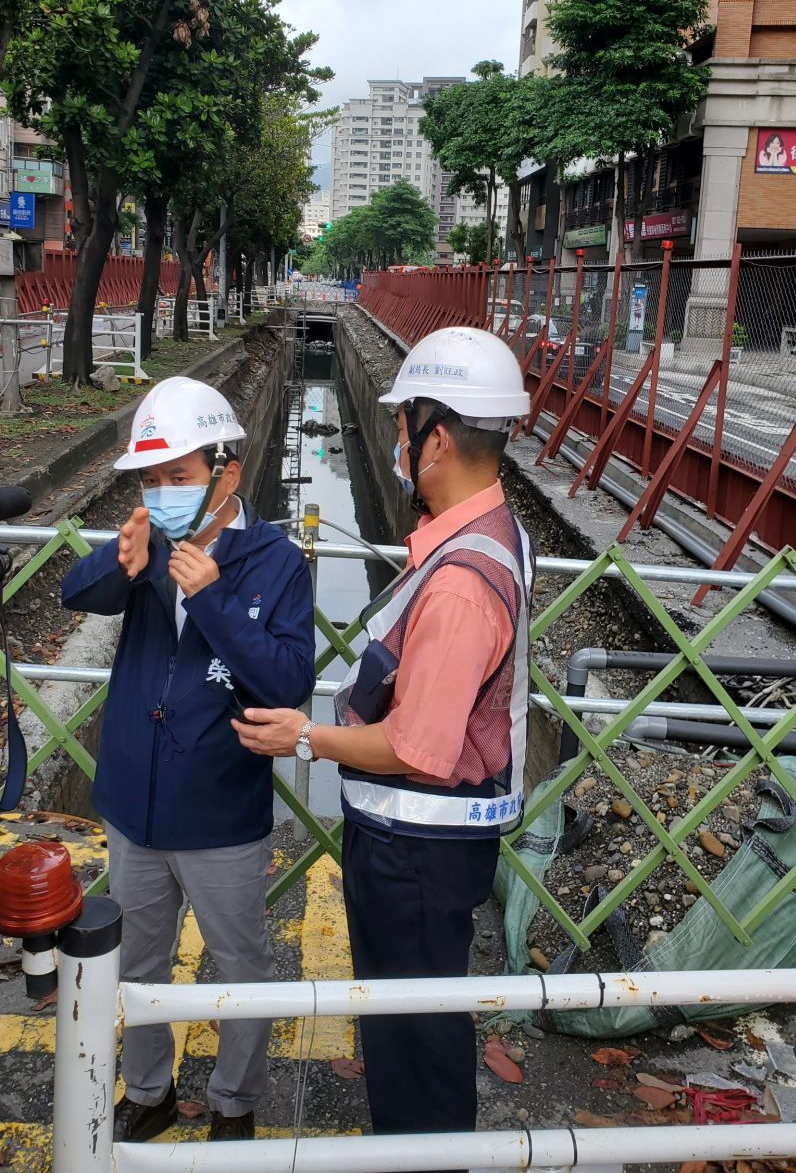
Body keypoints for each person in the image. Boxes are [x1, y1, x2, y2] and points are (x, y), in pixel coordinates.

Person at [233, 327, 533, 1164]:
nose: (397, 440)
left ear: (437, 439)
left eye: (405, 426)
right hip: (436, 847)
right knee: (419, 1019)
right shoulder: (493, 532)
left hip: (414, 853)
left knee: (413, 1040)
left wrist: (307, 737)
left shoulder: (462, 583)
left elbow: (417, 746)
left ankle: (420, 1154)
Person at [61, 376, 315, 1144]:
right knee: (137, 962)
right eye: (153, 479)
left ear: (226, 472)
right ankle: (150, 1090)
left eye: (181, 477)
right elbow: (79, 594)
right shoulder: (148, 546)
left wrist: (210, 600)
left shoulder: (273, 562)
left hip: (220, 812)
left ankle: (235, 1102)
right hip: (135, 807)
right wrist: (119, 559)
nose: (165, 493)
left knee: (241, 965)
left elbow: (287, 682)